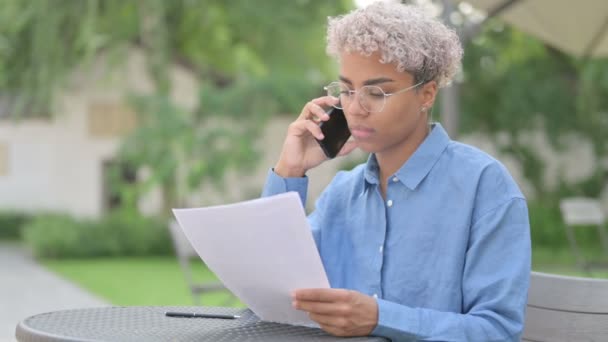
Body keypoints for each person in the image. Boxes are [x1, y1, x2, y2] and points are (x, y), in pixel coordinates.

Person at [262, 2, 531, 341]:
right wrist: (291, 168)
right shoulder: (341, 195)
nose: (356, 108)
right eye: (346, 90)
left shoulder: (483, 187)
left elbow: (497, 331)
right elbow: (268, 285)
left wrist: (381, 318)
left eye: (377, 92)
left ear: (427, 94)